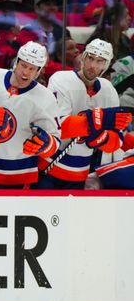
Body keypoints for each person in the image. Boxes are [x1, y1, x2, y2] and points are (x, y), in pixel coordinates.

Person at [0, 42, 60, 188]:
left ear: (39, 71)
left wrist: (45, 144)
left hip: (16, 176)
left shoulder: (46, 98)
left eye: (32, 69)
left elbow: (55, 140)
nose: (25, 72)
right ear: (16, 62)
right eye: (23, 65)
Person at [40, 39, 131, 189]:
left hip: (80, 173)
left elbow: (117, 141)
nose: (93, 65)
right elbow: (57, 126)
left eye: (100, 61)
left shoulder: (109, 91)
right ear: (83, 57)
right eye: (90, 58)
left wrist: (100, 138)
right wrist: (96, 120)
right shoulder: (61, 79)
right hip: (49, 167)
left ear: (107, 65)